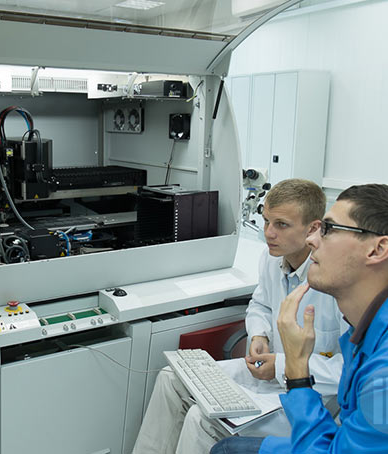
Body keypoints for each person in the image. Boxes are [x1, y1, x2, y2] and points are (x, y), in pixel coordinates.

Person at [211, 184, 388, 454]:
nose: (312, 240)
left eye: (329, 229)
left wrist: (297, 371)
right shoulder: (383, 323)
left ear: (378, 249)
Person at [132, 179, 347, 454]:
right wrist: (259, 335)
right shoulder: (271, 258)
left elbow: (346, 373)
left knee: (201, 419)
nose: (269, 233)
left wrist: (282, 367)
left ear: (313, 228)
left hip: (314, 399)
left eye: (281, 225)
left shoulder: (335, 282)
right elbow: (260, 304)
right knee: (171, 377)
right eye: (266, 221)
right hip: (267, 375)